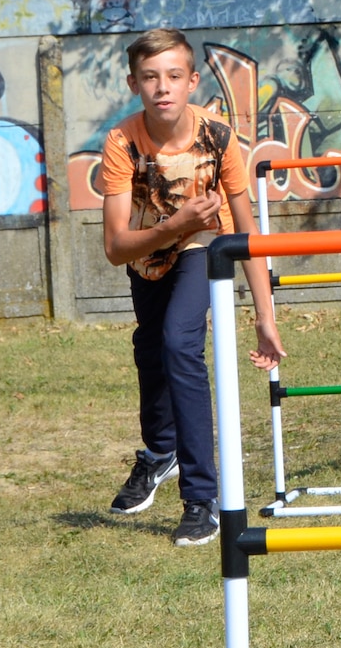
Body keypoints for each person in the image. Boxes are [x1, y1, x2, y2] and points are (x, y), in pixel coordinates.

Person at [100, 28, 284, 545]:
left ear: (192, 81)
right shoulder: (121, 142)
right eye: (151, 77)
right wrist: (173, 225)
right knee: (151, 349)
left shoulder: (219, 136)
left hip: (204, 245)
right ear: (134, 82)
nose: (163, 87)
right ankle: (160, 454)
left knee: (182, 345)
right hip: (148, 250)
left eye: (174, 76)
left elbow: (246, 232)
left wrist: (265, 317)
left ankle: (202, 499)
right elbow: (116, 247)